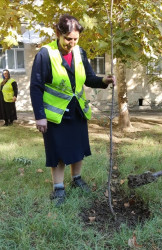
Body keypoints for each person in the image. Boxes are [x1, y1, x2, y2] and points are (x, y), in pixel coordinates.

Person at [30, 14, 115, 206]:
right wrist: (40, 117)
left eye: (76, 39)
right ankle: (58, 188)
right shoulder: (45, 54)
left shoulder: (80, 53)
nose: (72, 43)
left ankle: (77, 179)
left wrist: (104, 81)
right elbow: (36, 87)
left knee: (78, 148)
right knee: (58, 151)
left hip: (77, 110)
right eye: (68, 39)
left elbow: (89, 78)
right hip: (55, 115)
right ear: (58, 33)